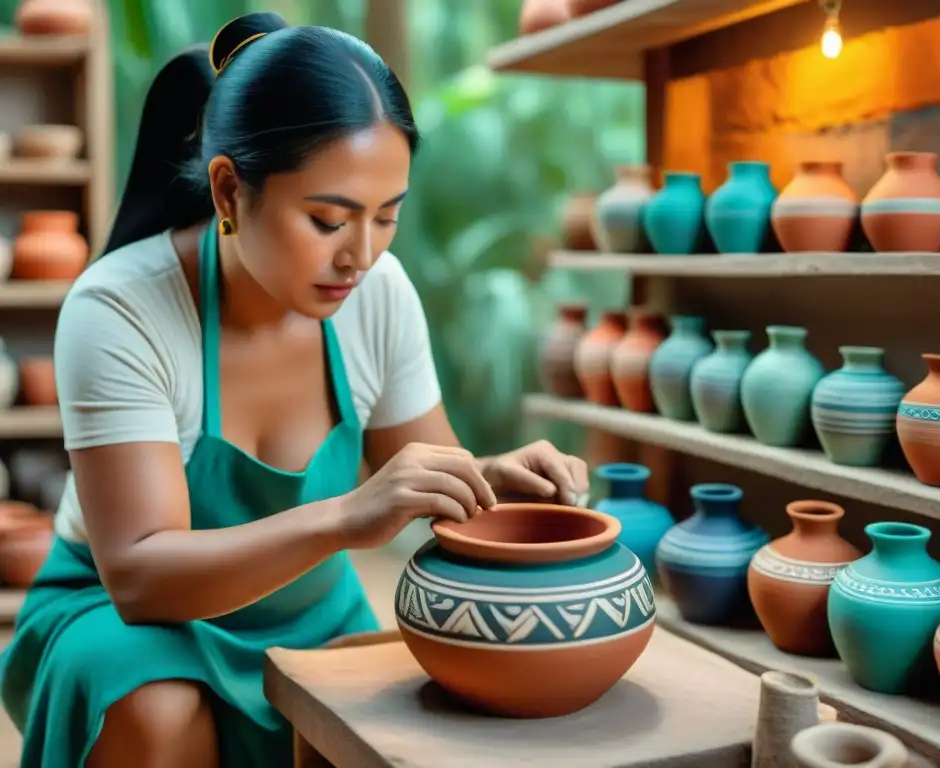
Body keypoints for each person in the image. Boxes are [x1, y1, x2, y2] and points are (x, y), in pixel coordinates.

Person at [0, 12, 589, 768]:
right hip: (127, 619)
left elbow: (428, 470)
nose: (362, 256)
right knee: (155, 709)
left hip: (308, 607)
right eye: (327, 219)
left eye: (387, 217)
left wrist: (495, 484)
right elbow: (143, 578)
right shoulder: (120, 308)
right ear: (228, 189)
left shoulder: (378, 291)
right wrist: (346, 516)